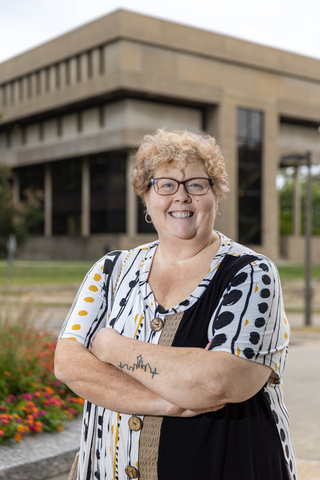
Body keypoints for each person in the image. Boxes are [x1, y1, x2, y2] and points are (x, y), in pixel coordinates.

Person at [54, 129, 296, 480]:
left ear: (215, 194)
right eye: (165, 184)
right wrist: (168, 401)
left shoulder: (250, 273)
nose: (181, 197)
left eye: (196, 185)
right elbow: (68, 364)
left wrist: (109, 345)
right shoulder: (110, 270)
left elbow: (218, 382)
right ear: (146, 197)